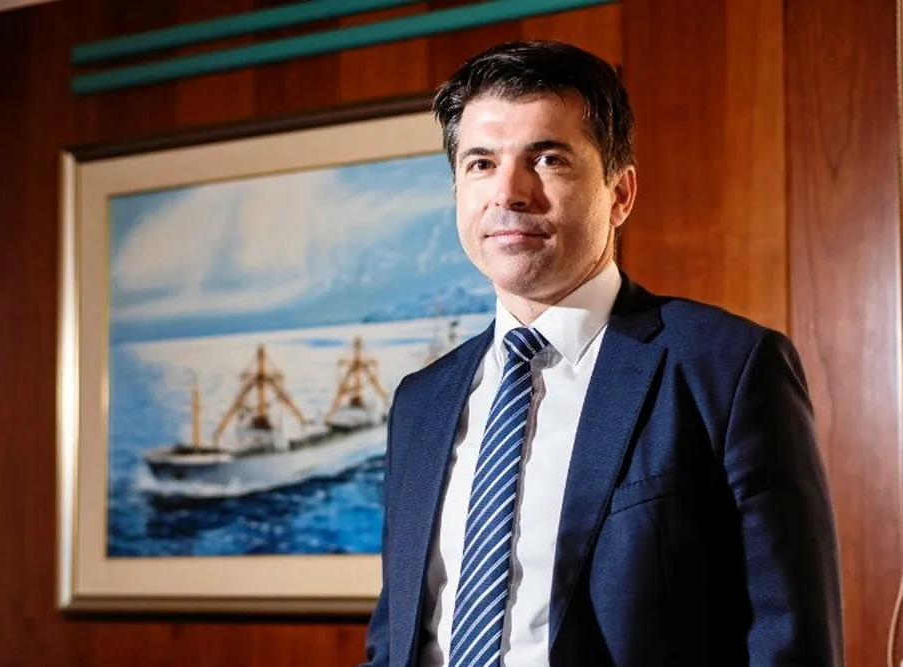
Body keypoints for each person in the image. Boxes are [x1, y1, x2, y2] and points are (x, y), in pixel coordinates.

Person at [360, 40, 843, 667]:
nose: (509, 192)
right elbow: (396, 637)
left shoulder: (728, 367)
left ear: (620, 194)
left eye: (548, 158)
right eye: (481, 163)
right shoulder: (420, 402)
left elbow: (790, 641)